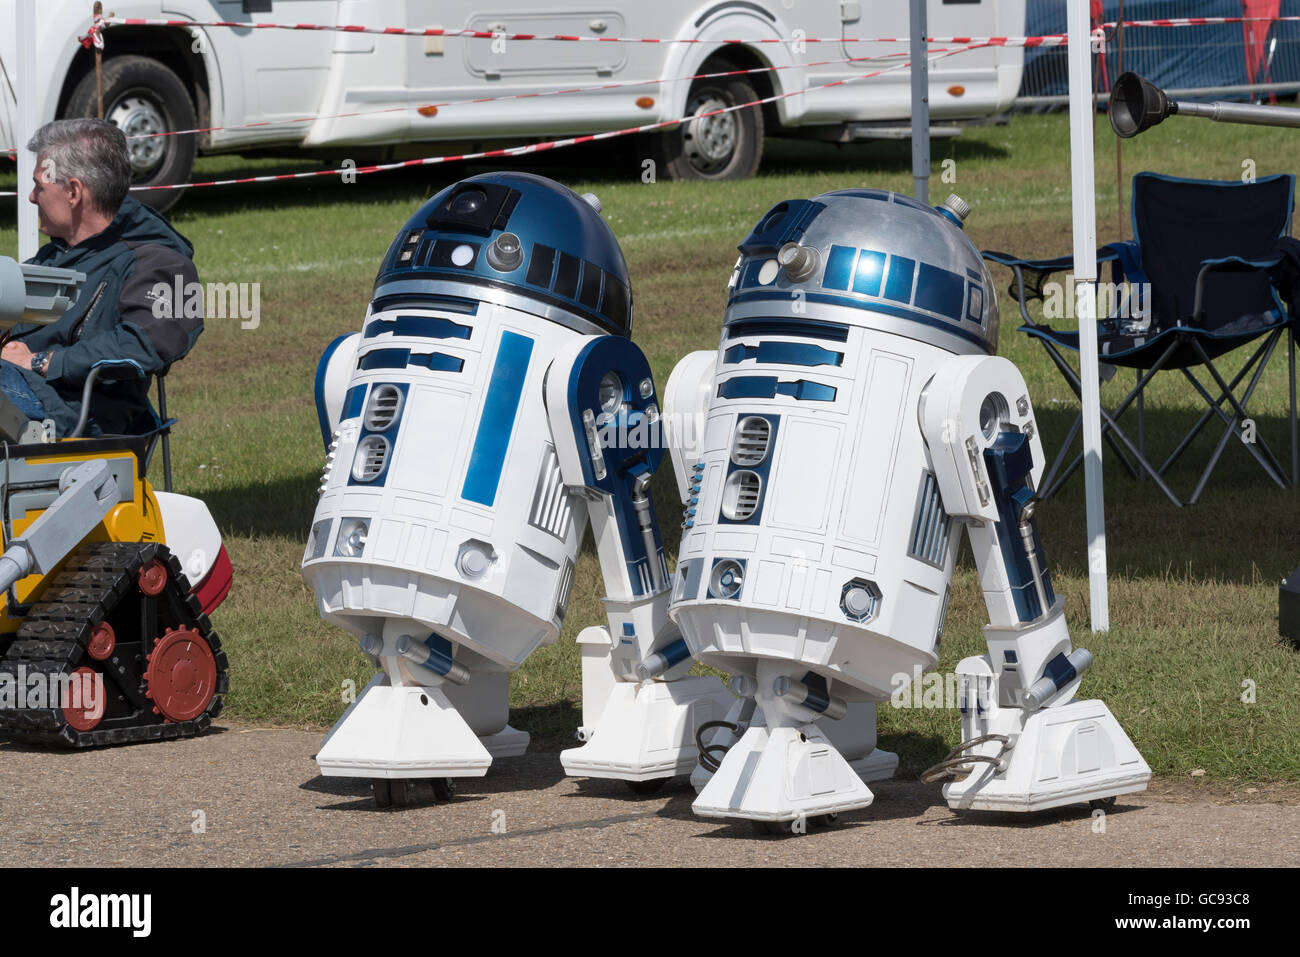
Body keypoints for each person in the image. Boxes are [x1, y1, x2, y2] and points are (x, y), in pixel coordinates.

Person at [1, 118, 202, 437]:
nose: (31, 197)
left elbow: (147, 344)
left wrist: (43, 362)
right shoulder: (53, 258)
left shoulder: (161, 263)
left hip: (80, 415)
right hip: (21, 395)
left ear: (73, 192)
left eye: (40, 185)